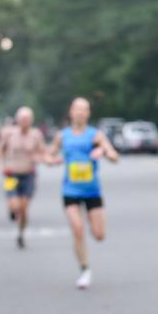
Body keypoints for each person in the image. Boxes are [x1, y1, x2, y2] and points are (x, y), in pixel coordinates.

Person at [47, 97, 118, 289]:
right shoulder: (62, 136)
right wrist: (51, 160)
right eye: (78, 109)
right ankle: (85, 270)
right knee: (77, 229)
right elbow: (48, 154)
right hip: (70, 190)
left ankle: (91, 220)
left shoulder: (96, 135)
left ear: (88, 114)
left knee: (99, 235)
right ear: (71, 112)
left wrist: (103, 152)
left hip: (92, 190)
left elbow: (114, 155)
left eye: (85, 109)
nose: (81, 113)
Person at [0, 107, 47, 249]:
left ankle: (21, 234)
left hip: (28, 175)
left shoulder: (36, 134)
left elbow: (43, 151)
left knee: (24, 209)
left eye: (27, 119)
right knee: (15, 205)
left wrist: (43, 158)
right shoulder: (9, 134)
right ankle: (12, 210)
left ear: (31, 120)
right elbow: (0, 150)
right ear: (17, 120)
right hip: (11, 174)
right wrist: (2, 166)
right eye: (22, 119)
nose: (25, 122)